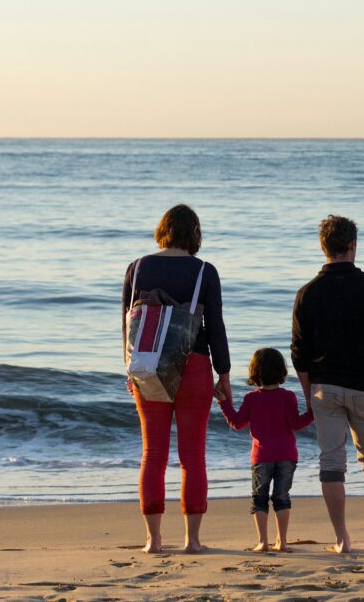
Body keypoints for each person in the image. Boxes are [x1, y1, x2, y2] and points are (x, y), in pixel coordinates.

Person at [291, 214, 364, 553]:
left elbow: (299, 353)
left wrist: (308, 394)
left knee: (331, 464)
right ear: (353, 245)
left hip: (324, 387)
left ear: (323, 247)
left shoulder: (307, 293)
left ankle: (342, 540)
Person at [122, 204, 232, 554]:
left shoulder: (137, 268)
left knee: (152, 454)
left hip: (147, 363)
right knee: (192, 455)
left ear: (162, 230)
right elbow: (215, 326)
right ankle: (192, 541)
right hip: (194, 366)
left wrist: (130, 367)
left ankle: (153, 541)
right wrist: (224, 373)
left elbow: (127, 324)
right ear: (194, 234)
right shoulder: (204, 272)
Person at [216, 348, 314, 552]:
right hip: (287, 454)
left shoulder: (252, 398)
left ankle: (263, 542)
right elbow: (296, 424)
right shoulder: (288, 397)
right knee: (281, 496)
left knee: (259, 497)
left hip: (261, 456)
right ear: (281, 371)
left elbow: (237, 423)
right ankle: (283, 541)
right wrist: (314, 412)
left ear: (254, 372)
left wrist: (224, 402)